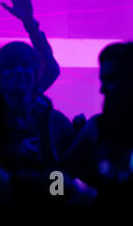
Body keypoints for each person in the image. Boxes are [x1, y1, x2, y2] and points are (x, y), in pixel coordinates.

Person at [0, 0, 76, 204]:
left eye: (24, 66)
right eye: (10, 67)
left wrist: (30, 23)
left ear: (35, 76)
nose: (18, 72)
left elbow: (59, 189)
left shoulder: (55, 122)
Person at [63, 42, 133, 206]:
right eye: (103, 80)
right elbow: (59, 173)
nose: (103, 89)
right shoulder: (97, 127)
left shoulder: (96, 127)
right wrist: (58, 198)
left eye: (111, 79)